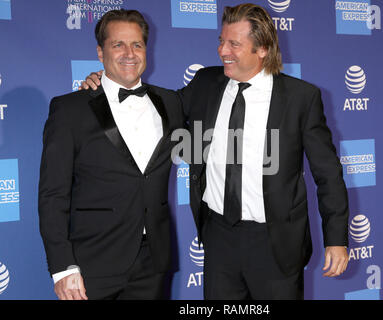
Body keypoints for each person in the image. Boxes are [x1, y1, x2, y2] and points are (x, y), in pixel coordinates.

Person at [82, 3, 349, 300]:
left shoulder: (301, 98)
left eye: (234, 43)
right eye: (221, 41)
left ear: (262, 49)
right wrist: (106, 81)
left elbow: (328, 173)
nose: (223, 51)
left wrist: (336, 239)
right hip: (219, 237)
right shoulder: (207, 83)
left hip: (276, 243)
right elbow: (158, 106)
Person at [38, 9, 183, 300]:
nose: (129, 53)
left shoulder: (172, 101)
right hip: (92, 262)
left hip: (153, 262)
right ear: (100, 53)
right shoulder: (70, 109)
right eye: (118, 45)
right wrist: (63, 268)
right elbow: (52, 195)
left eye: (137, 44)